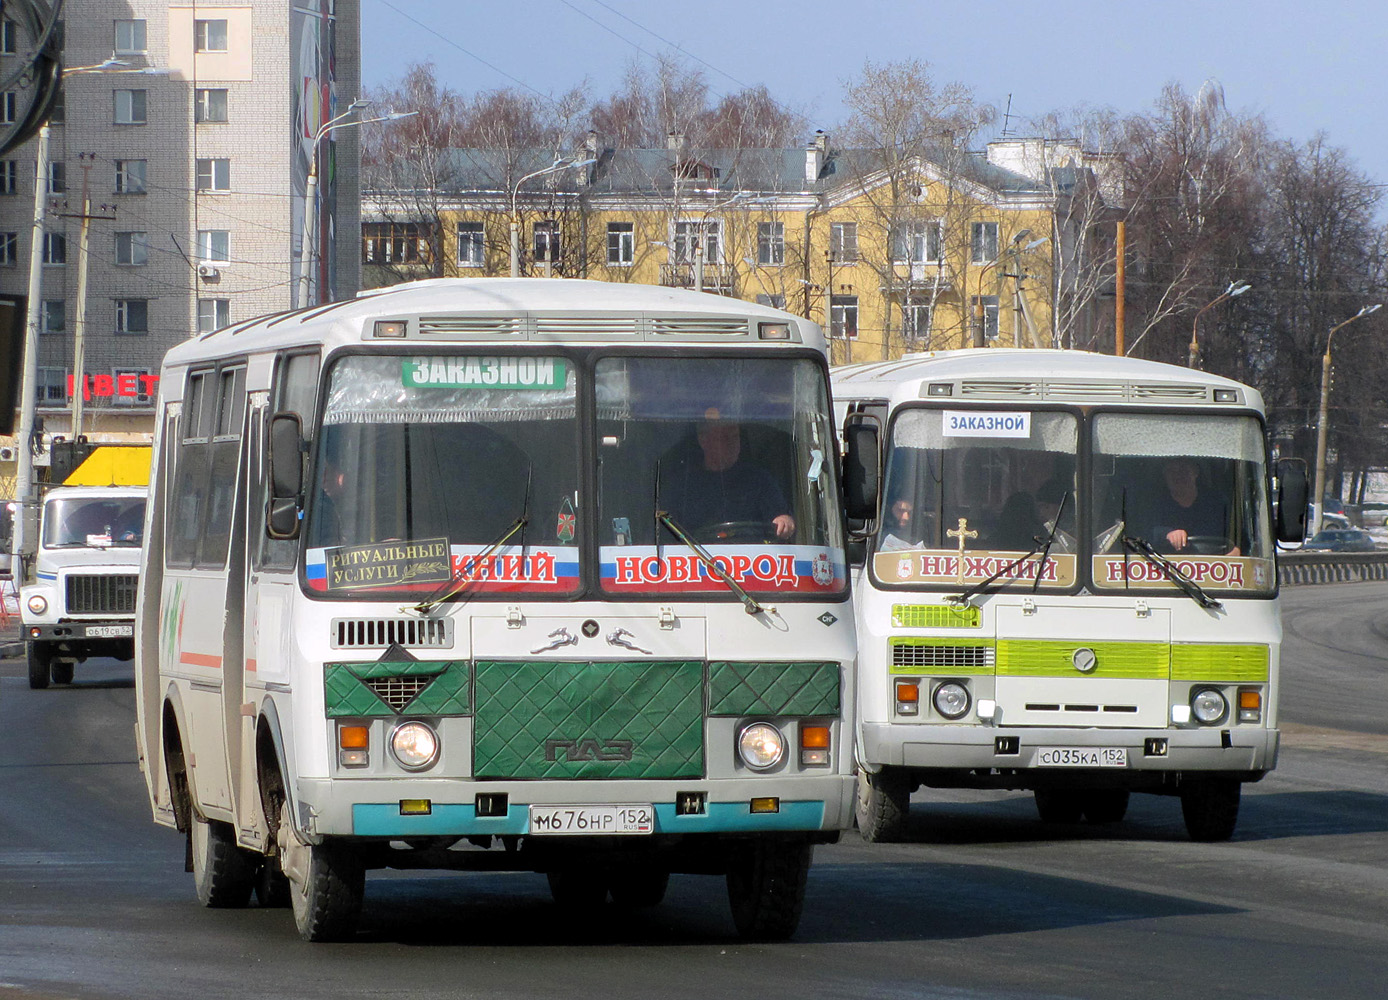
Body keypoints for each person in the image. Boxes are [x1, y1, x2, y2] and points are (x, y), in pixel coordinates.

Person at [661, 411, 795, 540]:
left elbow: (781, 516)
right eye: (724, 437)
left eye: (735, 436)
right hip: (696, 559)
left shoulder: (758, 480)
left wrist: (784, 521)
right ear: (703, 440)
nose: (732, 442)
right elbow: (666, 533)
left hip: (751, 558)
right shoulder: (682, 486)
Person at [1148, 457, 1238, 554]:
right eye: (1171, 471)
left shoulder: (1218, 503)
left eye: (1183, 469)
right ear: (1165, 476)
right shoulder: (1155, 505)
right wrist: (1167, 534)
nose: (1177, 475)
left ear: (1195, 472)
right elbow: (1144, 535)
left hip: (1215, 565)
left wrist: (1236, 550)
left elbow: (1243, 539)